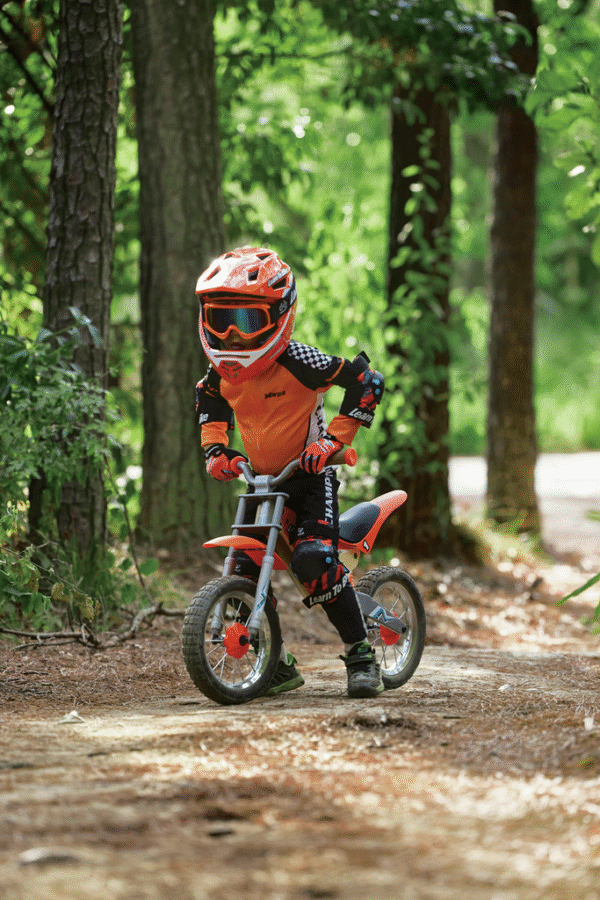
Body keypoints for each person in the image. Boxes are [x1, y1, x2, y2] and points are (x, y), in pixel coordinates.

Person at [194, 247, 385, 699]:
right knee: (242, 564)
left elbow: (366, 381)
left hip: (308, 478)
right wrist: (217, 451)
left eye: (244, 320)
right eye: (219, 320)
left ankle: (361, 654)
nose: (231, 335)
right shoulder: (220, 374)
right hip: (260, 482)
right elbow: (209, 404)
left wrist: (335, 440)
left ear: (279, 314)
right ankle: (275, 665)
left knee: (313, 561)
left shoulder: (300, 361)